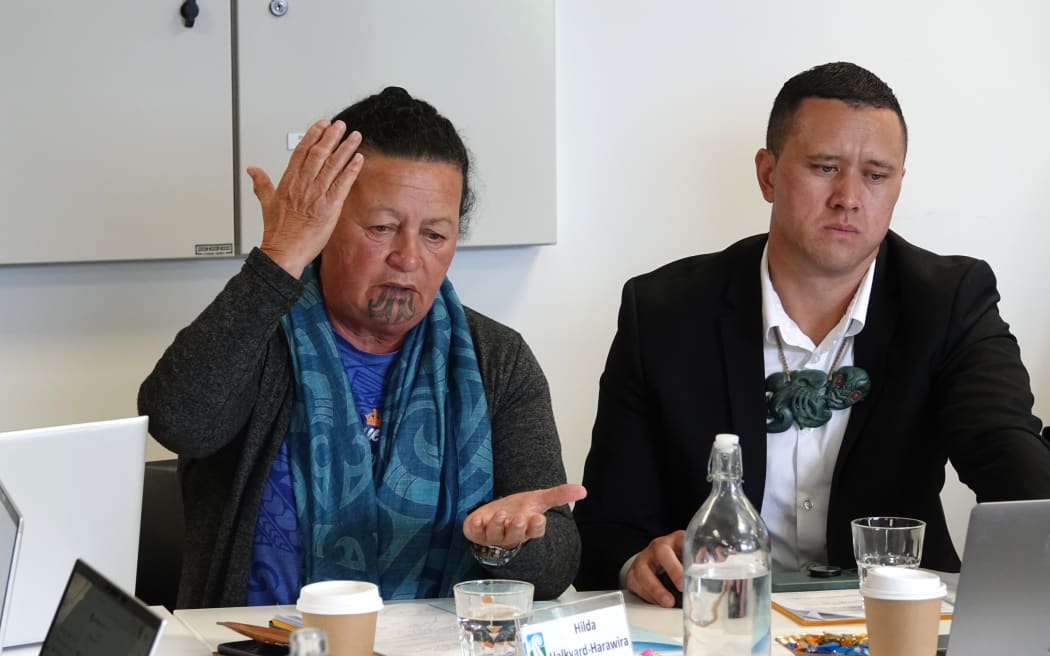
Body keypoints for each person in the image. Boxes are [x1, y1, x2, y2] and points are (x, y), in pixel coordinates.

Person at [572, 62, 1050, 607]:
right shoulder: (664, 311)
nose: (849, 196)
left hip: (892, 620)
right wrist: (639, 562)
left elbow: (1008, 459)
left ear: (899, 184)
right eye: (825, 167)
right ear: (768, 174)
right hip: (719, 620)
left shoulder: (949, 301)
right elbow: (606, 529)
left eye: (876, 175)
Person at [139, 87, 585, 608]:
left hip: (440, 643)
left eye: (435, 235)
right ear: (325, 223)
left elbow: (556, 563)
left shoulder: (497, 360)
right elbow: (178, 422)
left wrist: (509, 542)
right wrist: (280, 256)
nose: (408, 258)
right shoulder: (260, 331)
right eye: (382, 228)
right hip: (257, 640)